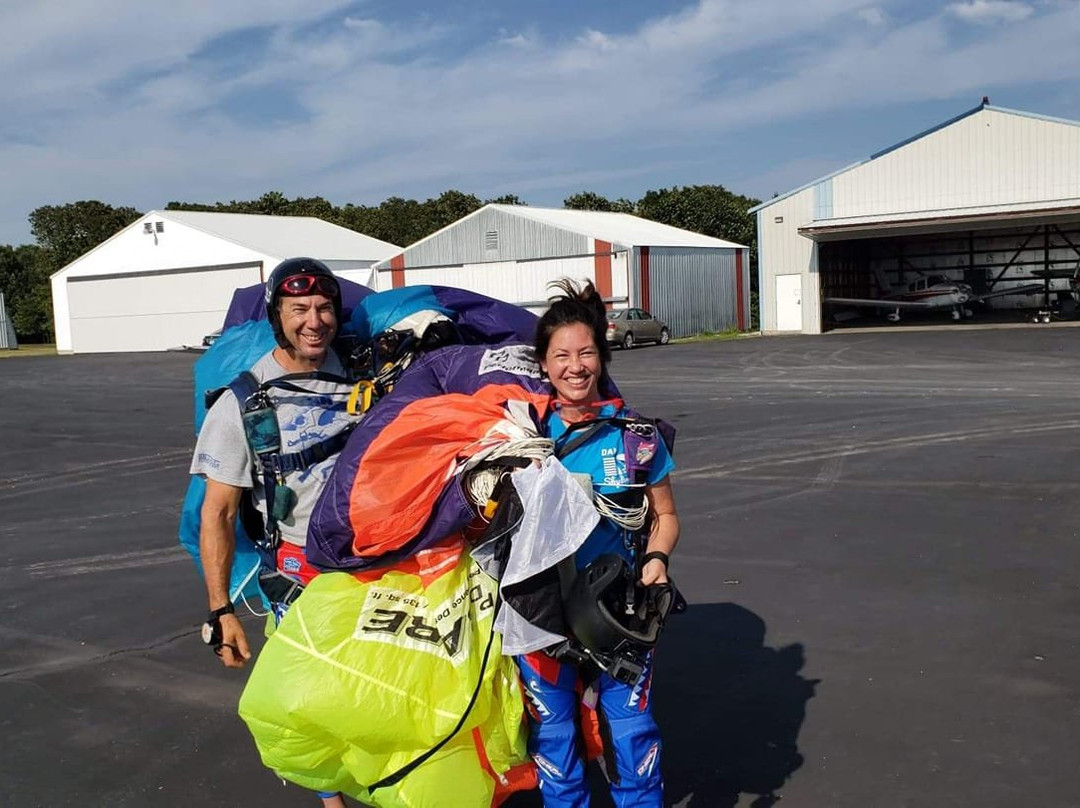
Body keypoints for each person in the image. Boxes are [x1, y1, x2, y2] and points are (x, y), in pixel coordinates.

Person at [190, 257, 358, 808]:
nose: (315, 320)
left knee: (385, 693)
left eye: (324, 307)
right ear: (276, 316)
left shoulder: (369, 378)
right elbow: (216, 512)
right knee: (309, 706)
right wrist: (221, 611)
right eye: (299, 309)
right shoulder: (244, 401)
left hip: (382, 573)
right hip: (301, 578)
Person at [517, 279, 680, 807]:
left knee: (632, 734)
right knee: (554, 738)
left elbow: (667, 515)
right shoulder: (517, 434)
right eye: (560, 355)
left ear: (602, 358)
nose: (574, 366)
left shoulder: (635, 436)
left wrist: (656, 559)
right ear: (543, 364)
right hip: (539, 611)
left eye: (586, 352)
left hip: (619, 611)